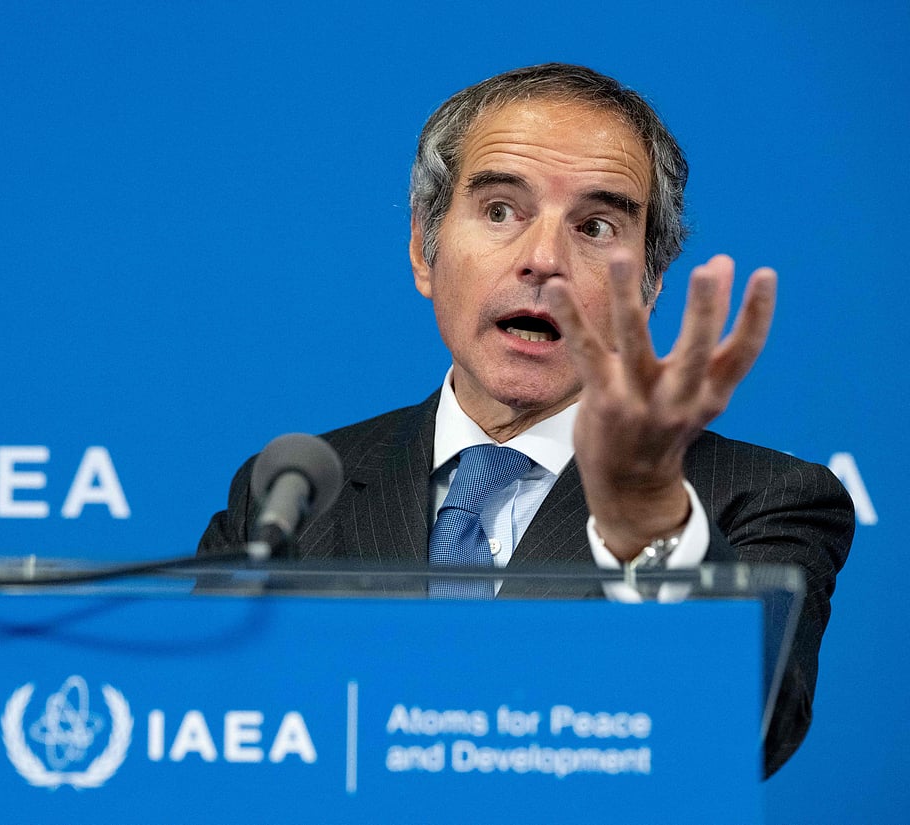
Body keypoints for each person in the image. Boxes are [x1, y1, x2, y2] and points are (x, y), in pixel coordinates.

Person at [197, 63, 853, 777]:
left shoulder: (763, 497)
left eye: (596, 226)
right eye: (502, 210)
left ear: (653, 283)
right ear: (425, 247)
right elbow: (193, 726)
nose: (543, 259)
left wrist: (651, 521)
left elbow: (745, 733)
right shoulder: (293, 494)